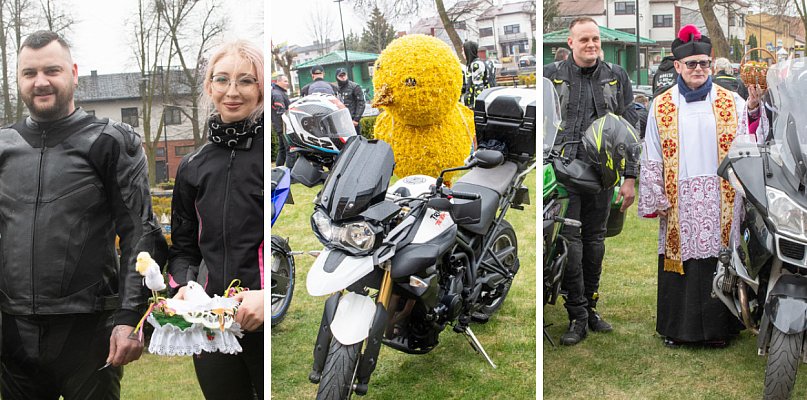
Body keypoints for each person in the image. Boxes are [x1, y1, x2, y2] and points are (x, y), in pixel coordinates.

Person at [0, 30, 165, 399]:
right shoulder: (4, 146)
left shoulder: (110, 141)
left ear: (73, 73)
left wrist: (129, 318)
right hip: (13, 337)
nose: (40, 82)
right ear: (18, 80)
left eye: (52, 70)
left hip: (89, 334)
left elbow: (141, 232)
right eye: (29, 73)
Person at [638, 25, 758, 348]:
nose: (699, 70)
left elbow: (750, 139)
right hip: (679, 203)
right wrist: (656, 194)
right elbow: (651, 153)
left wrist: (756, 106)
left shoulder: (731, 101)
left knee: (718, 258)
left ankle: (721, 329)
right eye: (691, 64)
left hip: (721, 197)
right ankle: (678, 330)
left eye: (704, 63)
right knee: (684, 264)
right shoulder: (661, 106)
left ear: (711, 63)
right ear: (677, 66)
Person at [168, 40, 265, 399]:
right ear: (209, 87)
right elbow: (183, 249)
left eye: (246, 81)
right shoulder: (193, 166)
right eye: (222, 80)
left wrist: (266, 295)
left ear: (260, 88)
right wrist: (182, 287)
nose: (232, 92)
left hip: (261, 318)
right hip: (211, 322)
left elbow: (287, 240)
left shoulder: (272, 154)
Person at [544, 17, 638, 345]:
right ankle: (577, 315)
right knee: (570, 244)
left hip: (602, 175)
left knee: (595, 243)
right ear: (570, 43)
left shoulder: (616, 75)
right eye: (584, 40)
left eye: (595, 39)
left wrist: (630, 177)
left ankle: (592, 307)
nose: (591, 45)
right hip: (562, 173)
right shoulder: (550, 76)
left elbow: (630, 129)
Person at [462, 40, 495, 107]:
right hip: (485, 100)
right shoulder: (484, 63)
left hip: (474, 104)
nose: (462, 53)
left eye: (463, 50)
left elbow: (478, 88)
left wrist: (478, 106)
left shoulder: (476, 65)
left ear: (468, 51)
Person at [334, 67, 365, 135]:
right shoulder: (334, 88)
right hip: (339, 122)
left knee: (355, 142)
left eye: (344, 75)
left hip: (352, 121)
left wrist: (356, 119)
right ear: (336, 77)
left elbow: (361, 103)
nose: (343, 77)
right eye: (340, 76)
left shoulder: (355, 87)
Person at [271, 74, 291, 166]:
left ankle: (278, 170)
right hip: (284, 126)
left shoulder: (278, 92)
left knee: (282, 149)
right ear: (278, 82)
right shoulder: (277, 94)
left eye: (287, 81)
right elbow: (281, 112)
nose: (287, 83)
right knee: (290, 150)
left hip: (279, 126)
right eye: (285, 81)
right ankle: (290, 174)